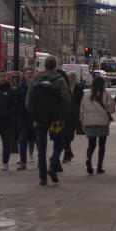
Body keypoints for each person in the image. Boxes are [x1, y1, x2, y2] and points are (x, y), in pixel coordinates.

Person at [25, 55, 71, 185]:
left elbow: (28, 101)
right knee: (59, 143)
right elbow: (66, 100)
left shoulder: (35, 79)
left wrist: (33, 114)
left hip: (40, 118)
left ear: (44, 65)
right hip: (55, 118)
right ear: (55, 65)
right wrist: (63, 115)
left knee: (42, 148)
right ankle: (52, 164)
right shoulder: (59, 79)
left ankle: (42, 178)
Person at [79, 75, 115, 174]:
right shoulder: (106, 94)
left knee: (91, 144)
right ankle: (99, 166)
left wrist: (82, 121)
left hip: (90, 123)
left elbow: (81, 109)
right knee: (102, 145)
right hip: (102, 122)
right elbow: (112, 108)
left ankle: (88, 159)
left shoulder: (86, 95)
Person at [13, 67, 36, 170]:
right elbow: (16, 102)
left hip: (35, 118)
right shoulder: (20, 88)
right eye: (27, 73)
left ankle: (40, 161)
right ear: (24, 75)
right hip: (23, 118)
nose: (29, 75)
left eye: (31, 73)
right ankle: (23, 161)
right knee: (22, 140)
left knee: (38, 141)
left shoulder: (36, 87)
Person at [62, 71, 84, 163]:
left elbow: (81, 101)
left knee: (69, 136)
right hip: (66, 114)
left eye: (71, 78)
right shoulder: (65, 88)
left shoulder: (78, 88)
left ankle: (67, 155)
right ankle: (68, 154)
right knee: (66, 136)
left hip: (74, 114)